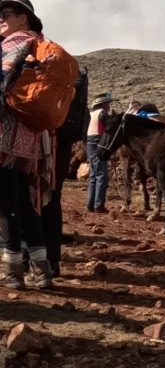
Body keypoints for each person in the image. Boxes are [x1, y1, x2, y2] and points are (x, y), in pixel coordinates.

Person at [0, 0, 52, 289]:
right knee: (22, 201)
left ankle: (12, 271)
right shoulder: (41, 46)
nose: (1, 18)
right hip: (29, 141)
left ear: (24, 18)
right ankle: (42, 271)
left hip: (6, 137)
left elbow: (2, 75)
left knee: (6, 203)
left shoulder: (15, 42)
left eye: (7, 13)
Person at [40, 66, 89, 276]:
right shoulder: (75, 83)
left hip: (43, 141)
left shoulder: (40, 66)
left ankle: (29, 258)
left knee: (30, 198)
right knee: (53, 198)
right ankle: (52, 260)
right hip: (63, 144)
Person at [86, 92, 114, 213]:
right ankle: (98, 205)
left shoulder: (90, 113)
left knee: (93, 175)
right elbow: (109, 126)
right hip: (98, 142)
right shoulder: (102, 113)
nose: (108, 105)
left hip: (89, 143)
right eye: (107, 103)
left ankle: (90, 204)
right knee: (102, 175)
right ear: (102, 104)